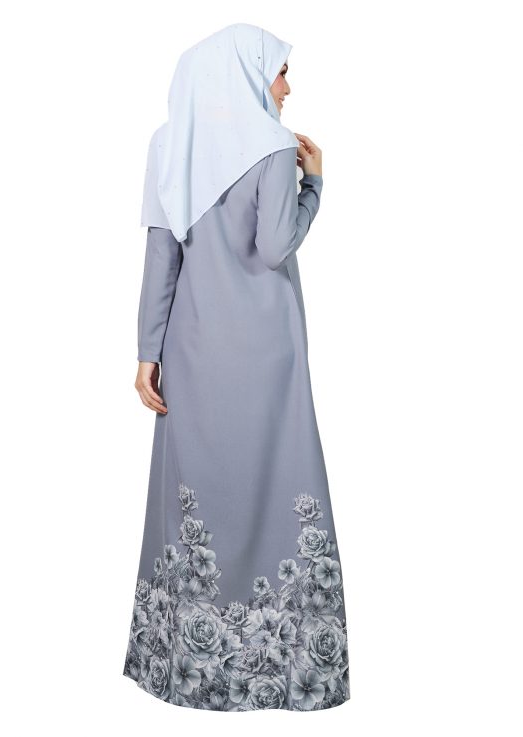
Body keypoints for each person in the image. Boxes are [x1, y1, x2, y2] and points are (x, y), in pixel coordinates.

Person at [122, 23, 350, 712]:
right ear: (248, 72)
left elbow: (161, 258)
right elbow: (276, 244)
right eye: (281, 70)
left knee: (195, 497)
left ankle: (186, 668)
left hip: (191, 351)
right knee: (282, 484)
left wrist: (147, 353)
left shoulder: (170, 143)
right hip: (268, 355)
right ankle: (284, 669)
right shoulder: (273, 148)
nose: (287, 86)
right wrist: (315, 184)